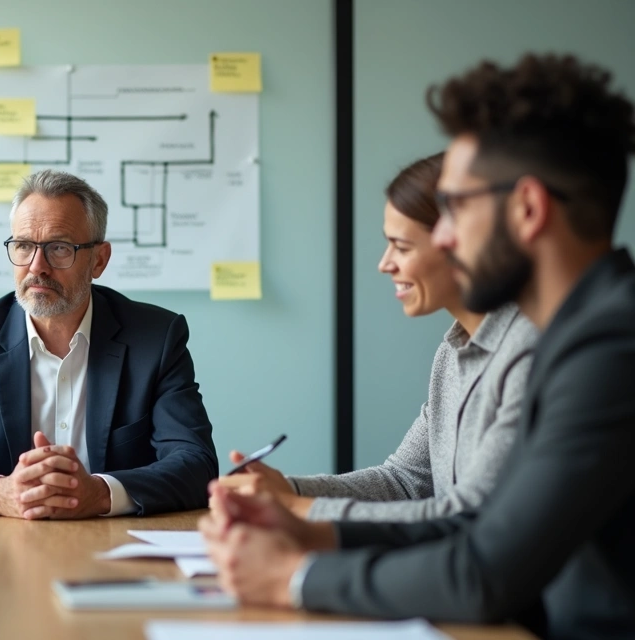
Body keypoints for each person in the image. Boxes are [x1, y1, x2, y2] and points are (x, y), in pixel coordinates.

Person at [201, 53, 635, 639]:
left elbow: (484, 571)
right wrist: (316, 533)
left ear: (528, 209)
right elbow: (482, 524)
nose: (446, 237)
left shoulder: (611, 349)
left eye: (455, 207)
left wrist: (292, 578)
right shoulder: (581, 335)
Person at [219, 153, 536, 522]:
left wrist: (297, 508)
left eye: (402, 247)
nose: (385, 264)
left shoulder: (527, 350)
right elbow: (405, 482)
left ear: (460, 242)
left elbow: (472, 516)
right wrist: (287, 490)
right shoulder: (453, 352)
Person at [0, 169, 218, 519]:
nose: (38, 267)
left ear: (99, 259)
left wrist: (100, 493)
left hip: (117, 547)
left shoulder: (156, 337)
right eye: (23, 246)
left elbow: (196, 464)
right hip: (0, 546)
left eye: (59, 248)